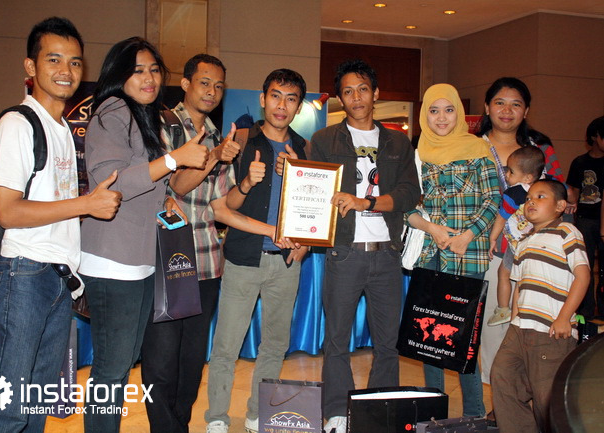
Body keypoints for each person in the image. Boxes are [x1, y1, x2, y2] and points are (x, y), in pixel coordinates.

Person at [0, 17, 122, 433]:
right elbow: (8, 211)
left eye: (75, 62)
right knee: (6, 408)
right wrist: (86, 204)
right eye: (53, 59)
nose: (65, 70)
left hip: (56, 278)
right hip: (22, 275)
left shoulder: (62, 129)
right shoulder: (18, 124)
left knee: (35, 407)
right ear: (30, 67)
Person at [140, 54, 285, 433]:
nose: (212, 91)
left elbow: (221, 205)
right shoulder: (162, 125)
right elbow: (175, 186)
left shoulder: (221, 138)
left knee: (191, 361)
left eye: (219, 86)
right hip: (166, 259)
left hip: (206, 261)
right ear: (185, 83)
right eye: (204, 83)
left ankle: (179, 425)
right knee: (161, 360)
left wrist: (247, 185)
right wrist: (214, 157)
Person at [79, 38, 209, 433]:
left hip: (139, 260)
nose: (149, 78)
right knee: (111, 370)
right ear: (118, 75)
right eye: (137, 71)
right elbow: (111, 181)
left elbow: (143, 182)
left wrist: (165, 197)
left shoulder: (142, 116)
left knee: (120, 368)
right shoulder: (112, 110)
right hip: (112, 259)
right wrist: (174, 159)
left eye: (154, 69)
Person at [309, 59, 419, 433]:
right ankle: (337, 413)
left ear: (376, 94)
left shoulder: (397, 142)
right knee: (337, 341)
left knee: (387, 343)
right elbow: (314, 192)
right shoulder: (324, 140)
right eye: (348, 92)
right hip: (344, 252)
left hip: (387, 253)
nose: (356, 97)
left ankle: (380, 409)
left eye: (362, 89)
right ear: (340, 99)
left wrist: (366, 202)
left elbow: (409, 193)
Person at [204, 69, 309, 433]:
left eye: (291, 99)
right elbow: (224, 207)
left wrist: (306, 244)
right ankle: (217, 418)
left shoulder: (305, 149)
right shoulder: (242, 141)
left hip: (286, 263)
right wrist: (247, 181)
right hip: (244, 259)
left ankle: (257, 412)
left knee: (275, 345)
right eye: (276, 96)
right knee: (226, 346)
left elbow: (314, 211)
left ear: (299, 106)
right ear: (263, 99)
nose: (282, 105)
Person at [406, 83, 500, 418]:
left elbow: (494, 199)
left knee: (464, 338)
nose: (441, 118)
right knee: (429, 338)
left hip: (468, 255)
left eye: (448, 110)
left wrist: (468, 235)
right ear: (424, 115)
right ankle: (434, 410)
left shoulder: (478, 148)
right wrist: (431, 228)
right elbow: (406, 204)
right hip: (431, 255)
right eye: (434, 110)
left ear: (459, 113)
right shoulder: (418, 154)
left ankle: (473, 413)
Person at [476, 76, 575, 385]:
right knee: (495, 327)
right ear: (487, 107)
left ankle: (529, 395)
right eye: (500, 103)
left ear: (526, 110)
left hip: (539, 253)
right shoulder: (471, 147)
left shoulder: (540, 148)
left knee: (533, 328)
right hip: (491, 251)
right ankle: (499, 398)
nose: (507, 111)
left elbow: (560, 194)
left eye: (516, 104)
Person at [491, 179, 589, 433]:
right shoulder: (523, 241)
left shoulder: (567, 232)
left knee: (547, 397)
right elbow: (519, 287)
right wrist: (514, 322)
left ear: (560, 206)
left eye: (540, 196)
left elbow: (583, 276)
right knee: (503, 379)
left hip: (550, 331)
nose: (531, 202)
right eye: (527, 199)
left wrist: (564, 318)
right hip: (519, 329)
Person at [487, 146, 545, 326]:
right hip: (541, 244)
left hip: (518, 245)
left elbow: (501, 218)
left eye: (511, 171)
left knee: (504, 274)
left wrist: (492, 239)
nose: (506, 175)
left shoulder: (513, 194)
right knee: (526, 280)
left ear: (527, 177)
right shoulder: (547, 189)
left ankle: (504, 309)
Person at [567, 116, 604, 319]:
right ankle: (586, 312)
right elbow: (573, 190)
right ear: (595, 136)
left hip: (601, 220)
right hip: (585, 220)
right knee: (584, 266)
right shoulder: (580, 162)